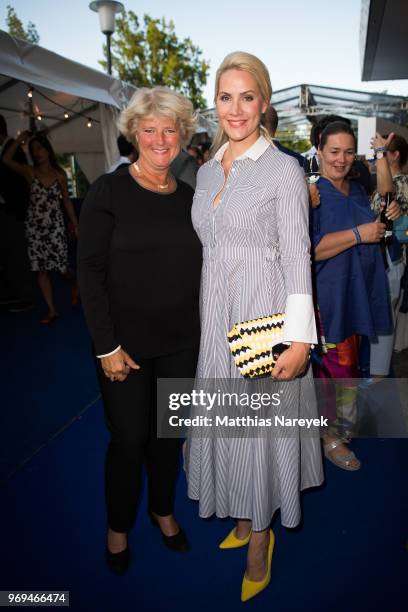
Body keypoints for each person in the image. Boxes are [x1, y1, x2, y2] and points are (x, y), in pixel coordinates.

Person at [185, 51, 323, 602]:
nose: (236, 109)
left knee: (258, 434)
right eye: (225, 97)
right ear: (215, 103)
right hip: (214, 315)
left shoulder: (283, 169)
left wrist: (299, 338)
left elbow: (297, 258)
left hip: (264, 317)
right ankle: (242, 516)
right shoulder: (203, 170)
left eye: (247, 97)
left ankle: (260, 538)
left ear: (264, 103)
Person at [77, 86, 202, 575]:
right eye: (149, 129)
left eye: (170, 129)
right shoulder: (109, 190)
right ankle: (118, 525)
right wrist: (105, 344)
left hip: (179, 343)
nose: (160, 138)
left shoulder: (190, 199)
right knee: (128, 440)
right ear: (134, 133)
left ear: (182, 136)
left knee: (168, 437)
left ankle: (163, 509)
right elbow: (89, 271)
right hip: (122, 347)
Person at [310, 122, 399, 470]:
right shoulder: (311, 194)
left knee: (348, 366)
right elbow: (310, 250)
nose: (342, 159)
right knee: (332, 369)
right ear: (319, 150)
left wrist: (387, 213)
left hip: (357, 291)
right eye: (334, 151)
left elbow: (387, 200)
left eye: (349, 152)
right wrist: (359, 234)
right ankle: (328, 434)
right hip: (326, 297)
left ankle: (338, 427)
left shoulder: (358, 190)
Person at [2, 131, 79, 323]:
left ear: (47, 149)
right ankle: (52, 310)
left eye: (39, 148)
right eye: (32, 149)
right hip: (35, 229)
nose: (36, 152)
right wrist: (18, 141)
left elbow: (67, 202)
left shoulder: (59, 174)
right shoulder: (30, 172)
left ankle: (75, 282)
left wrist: (75, 224)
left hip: (55, 228)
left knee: (62, 269)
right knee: (41, 270)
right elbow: (6, 160)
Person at [370, 134, 408, 356]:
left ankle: (379, 371)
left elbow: (386, 202)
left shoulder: (401, 184)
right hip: (390, 259)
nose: (379, 158)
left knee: (384, 316)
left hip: (390, 258)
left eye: (385, 152)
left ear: (395, 155)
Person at [0, 115, 32, 312]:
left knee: (18, 255)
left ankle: (24, 296)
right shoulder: (10, 148)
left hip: (15, 211)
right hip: (11, 210)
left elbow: (21, 183)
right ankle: (17, 293)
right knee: (11, 255)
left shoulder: (13, 149)